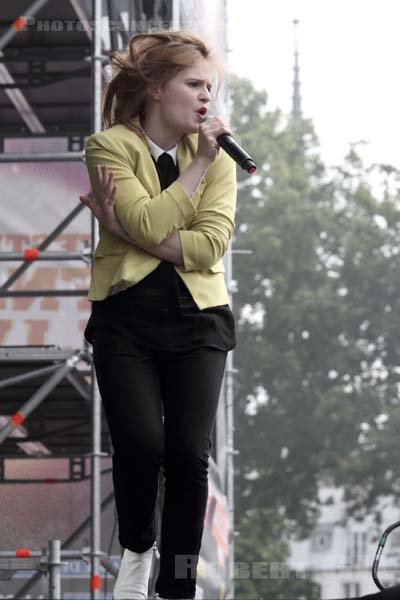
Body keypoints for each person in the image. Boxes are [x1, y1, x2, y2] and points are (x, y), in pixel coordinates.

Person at [79, 30, 237, 600]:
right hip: (126, 317)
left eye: (210, 89)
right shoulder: (109, 146)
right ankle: (139, 548)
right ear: (154, 87)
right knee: (142, 443)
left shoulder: (219, 157)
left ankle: (178, 586)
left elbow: (209, 244)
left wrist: (127, 226)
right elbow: (151, 226)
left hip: (199, 319)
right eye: (194, 84)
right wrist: (190, 175)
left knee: (190, 454)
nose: (205, 100)